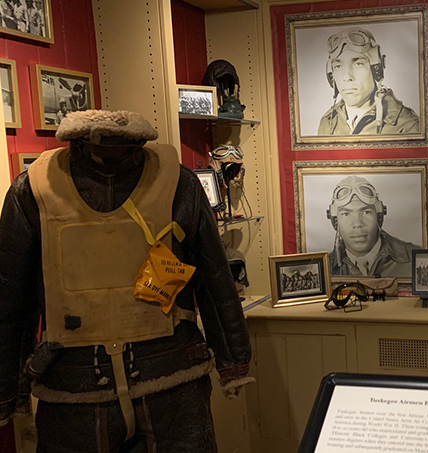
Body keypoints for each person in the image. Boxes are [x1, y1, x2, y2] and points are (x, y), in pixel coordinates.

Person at [0, 110, 253, 451]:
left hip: (160, 382)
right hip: (86, 389)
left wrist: (234, 361)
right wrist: (233, 361)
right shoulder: (33, 191)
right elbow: (11, 294)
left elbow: (215, 278)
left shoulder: (179, 185)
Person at [317, 28, 420, 136]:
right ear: (331, 75)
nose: (347, 77)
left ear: (376, 70)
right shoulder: (328, 123)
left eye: (358, 64)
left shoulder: (407, 127)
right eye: (338, 66)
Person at [327, 176, 420, 277]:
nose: (357, 224)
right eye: (346, 214)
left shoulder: (417, 258)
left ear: (379, 216)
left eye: (366, 212)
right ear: (335, 221)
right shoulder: (324, 268)